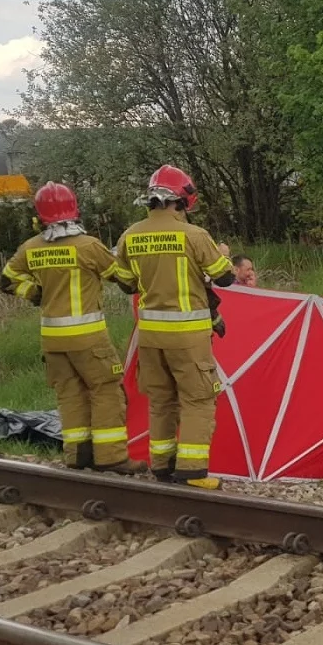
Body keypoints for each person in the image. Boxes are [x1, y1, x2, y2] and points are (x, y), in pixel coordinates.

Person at [0, 181, 144, 473]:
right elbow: (125, 280)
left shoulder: (31, 248)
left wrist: (34, 293)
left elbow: (6, 280)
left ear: (40, 216)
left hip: (52, 339)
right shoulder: (88, 246)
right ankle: (111, 457)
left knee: (70, 395)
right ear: (74, 211)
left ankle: (78, 456)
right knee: (107, 391)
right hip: (88, 338)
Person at [116, 165, 235, 489]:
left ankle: (162, 465)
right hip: (187, 337)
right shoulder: (194, 235)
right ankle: (193, 471)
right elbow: (225, 276)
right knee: (199, 400)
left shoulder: (130, 235)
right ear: (182, 201)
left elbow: (126, 284)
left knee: (161, 401)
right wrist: (220, 257)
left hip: (150, 337)